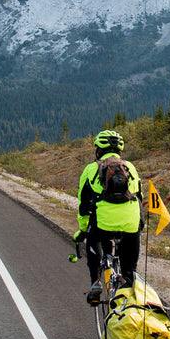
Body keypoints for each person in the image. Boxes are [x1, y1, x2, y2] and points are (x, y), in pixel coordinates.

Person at [73, 129, 143, 304]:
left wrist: (83, 230)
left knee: (93, 236)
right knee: (128, 271)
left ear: (98, 151)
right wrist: (138, 225)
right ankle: (127, 282)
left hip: (103, 226)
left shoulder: (90, 169)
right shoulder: (130, 168)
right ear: (120, 151)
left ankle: (96, 281)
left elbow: (83, 206)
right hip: (130, 224)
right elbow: (139, 198)